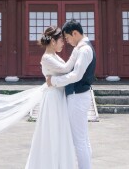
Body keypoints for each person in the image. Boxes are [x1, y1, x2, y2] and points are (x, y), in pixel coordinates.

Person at [25, 26, 78, 169]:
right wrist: (77, 52)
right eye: (61, 40)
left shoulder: (55, 56)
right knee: (53, 133)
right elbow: (66, 69)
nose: (63, 43)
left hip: (58, 97)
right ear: (53, 41)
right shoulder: (47, 58)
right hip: (53, 99)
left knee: (60, 132)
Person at [47, 19, 96, 169]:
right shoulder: (80, 48)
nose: (67, 41)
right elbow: (67, 67)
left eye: (67, 37)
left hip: (78, 97)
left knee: (79, 141)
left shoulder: (84, 50)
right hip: (79, 96)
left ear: (75, 33)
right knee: (83, 139)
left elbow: (76, 75)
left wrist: (54, 81)